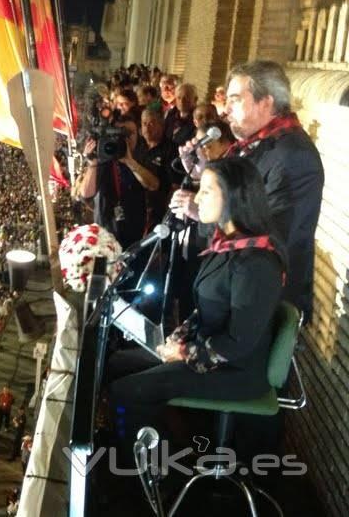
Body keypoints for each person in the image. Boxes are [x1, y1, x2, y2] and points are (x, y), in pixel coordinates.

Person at [108, 157, 286, 461]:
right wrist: (178, 338)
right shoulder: (226, 244)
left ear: (232, 196)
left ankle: (151, 473)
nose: (196, 197)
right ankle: (160, 444)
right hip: (209, 352)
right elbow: (204, 309)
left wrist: (184, 354)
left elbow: (237, 345)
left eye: (206, 190)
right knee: (116, 363)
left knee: (128, 391)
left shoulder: (256, 263)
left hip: (235, 372)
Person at [171, 60, 324, 323]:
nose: (225, 110)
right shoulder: (257, 145)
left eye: (235, 100)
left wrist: (202, 212)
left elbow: (271, 236)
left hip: (260, 306)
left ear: (266, 102)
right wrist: (203, 174)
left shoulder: (293, 156)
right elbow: (241, 199)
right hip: (236, 289)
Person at [79, 116, 160, 248]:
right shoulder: (101, 158)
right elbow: (86, 193)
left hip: (136, 233)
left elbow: (153, 185)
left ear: (137, 134)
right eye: (119, 133)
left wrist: (130, 162)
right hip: (106, 234)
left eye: (129, 133)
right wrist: (92, 162)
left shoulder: (142, 157)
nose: (125, 138)